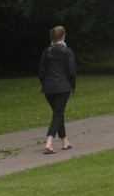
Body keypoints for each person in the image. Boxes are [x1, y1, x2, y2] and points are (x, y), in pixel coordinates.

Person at [38, 25, 76, 154]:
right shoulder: (67, 52)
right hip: (63, 88)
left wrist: (46, 84)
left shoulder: (46, 52)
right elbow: (71, 72)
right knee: (58, 114)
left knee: (58, 113)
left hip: (49, 89)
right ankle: (49, 143)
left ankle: (65, 141)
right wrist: (72, 85)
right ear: (63, 35)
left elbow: (41, 73)